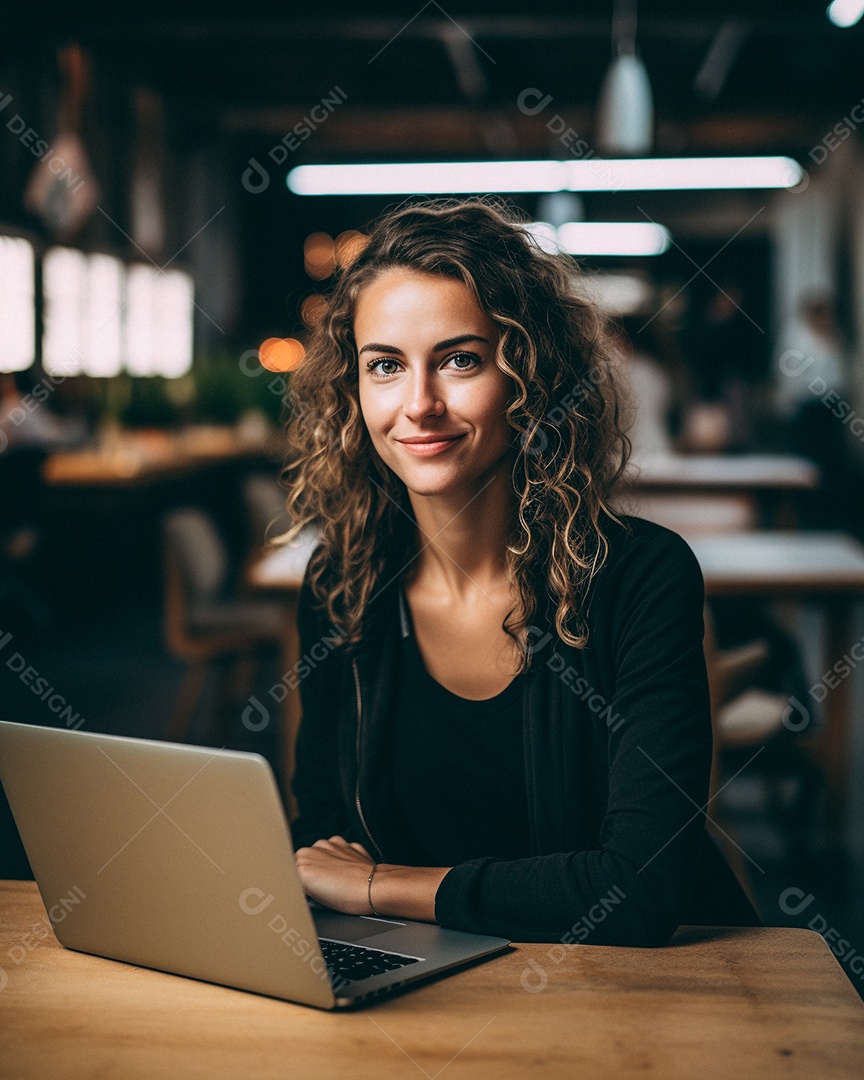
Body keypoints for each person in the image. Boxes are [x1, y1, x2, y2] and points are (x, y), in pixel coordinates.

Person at [280, 198, 759, 946]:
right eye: (385, 366)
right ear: (353, 391)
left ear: (529, 377)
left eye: (461, 359)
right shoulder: (341, 584)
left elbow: (639, 887)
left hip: (647, 1001)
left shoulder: (641, 578)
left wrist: (382, 886)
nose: (419, 405)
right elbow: (320, 842)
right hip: (436, 983)